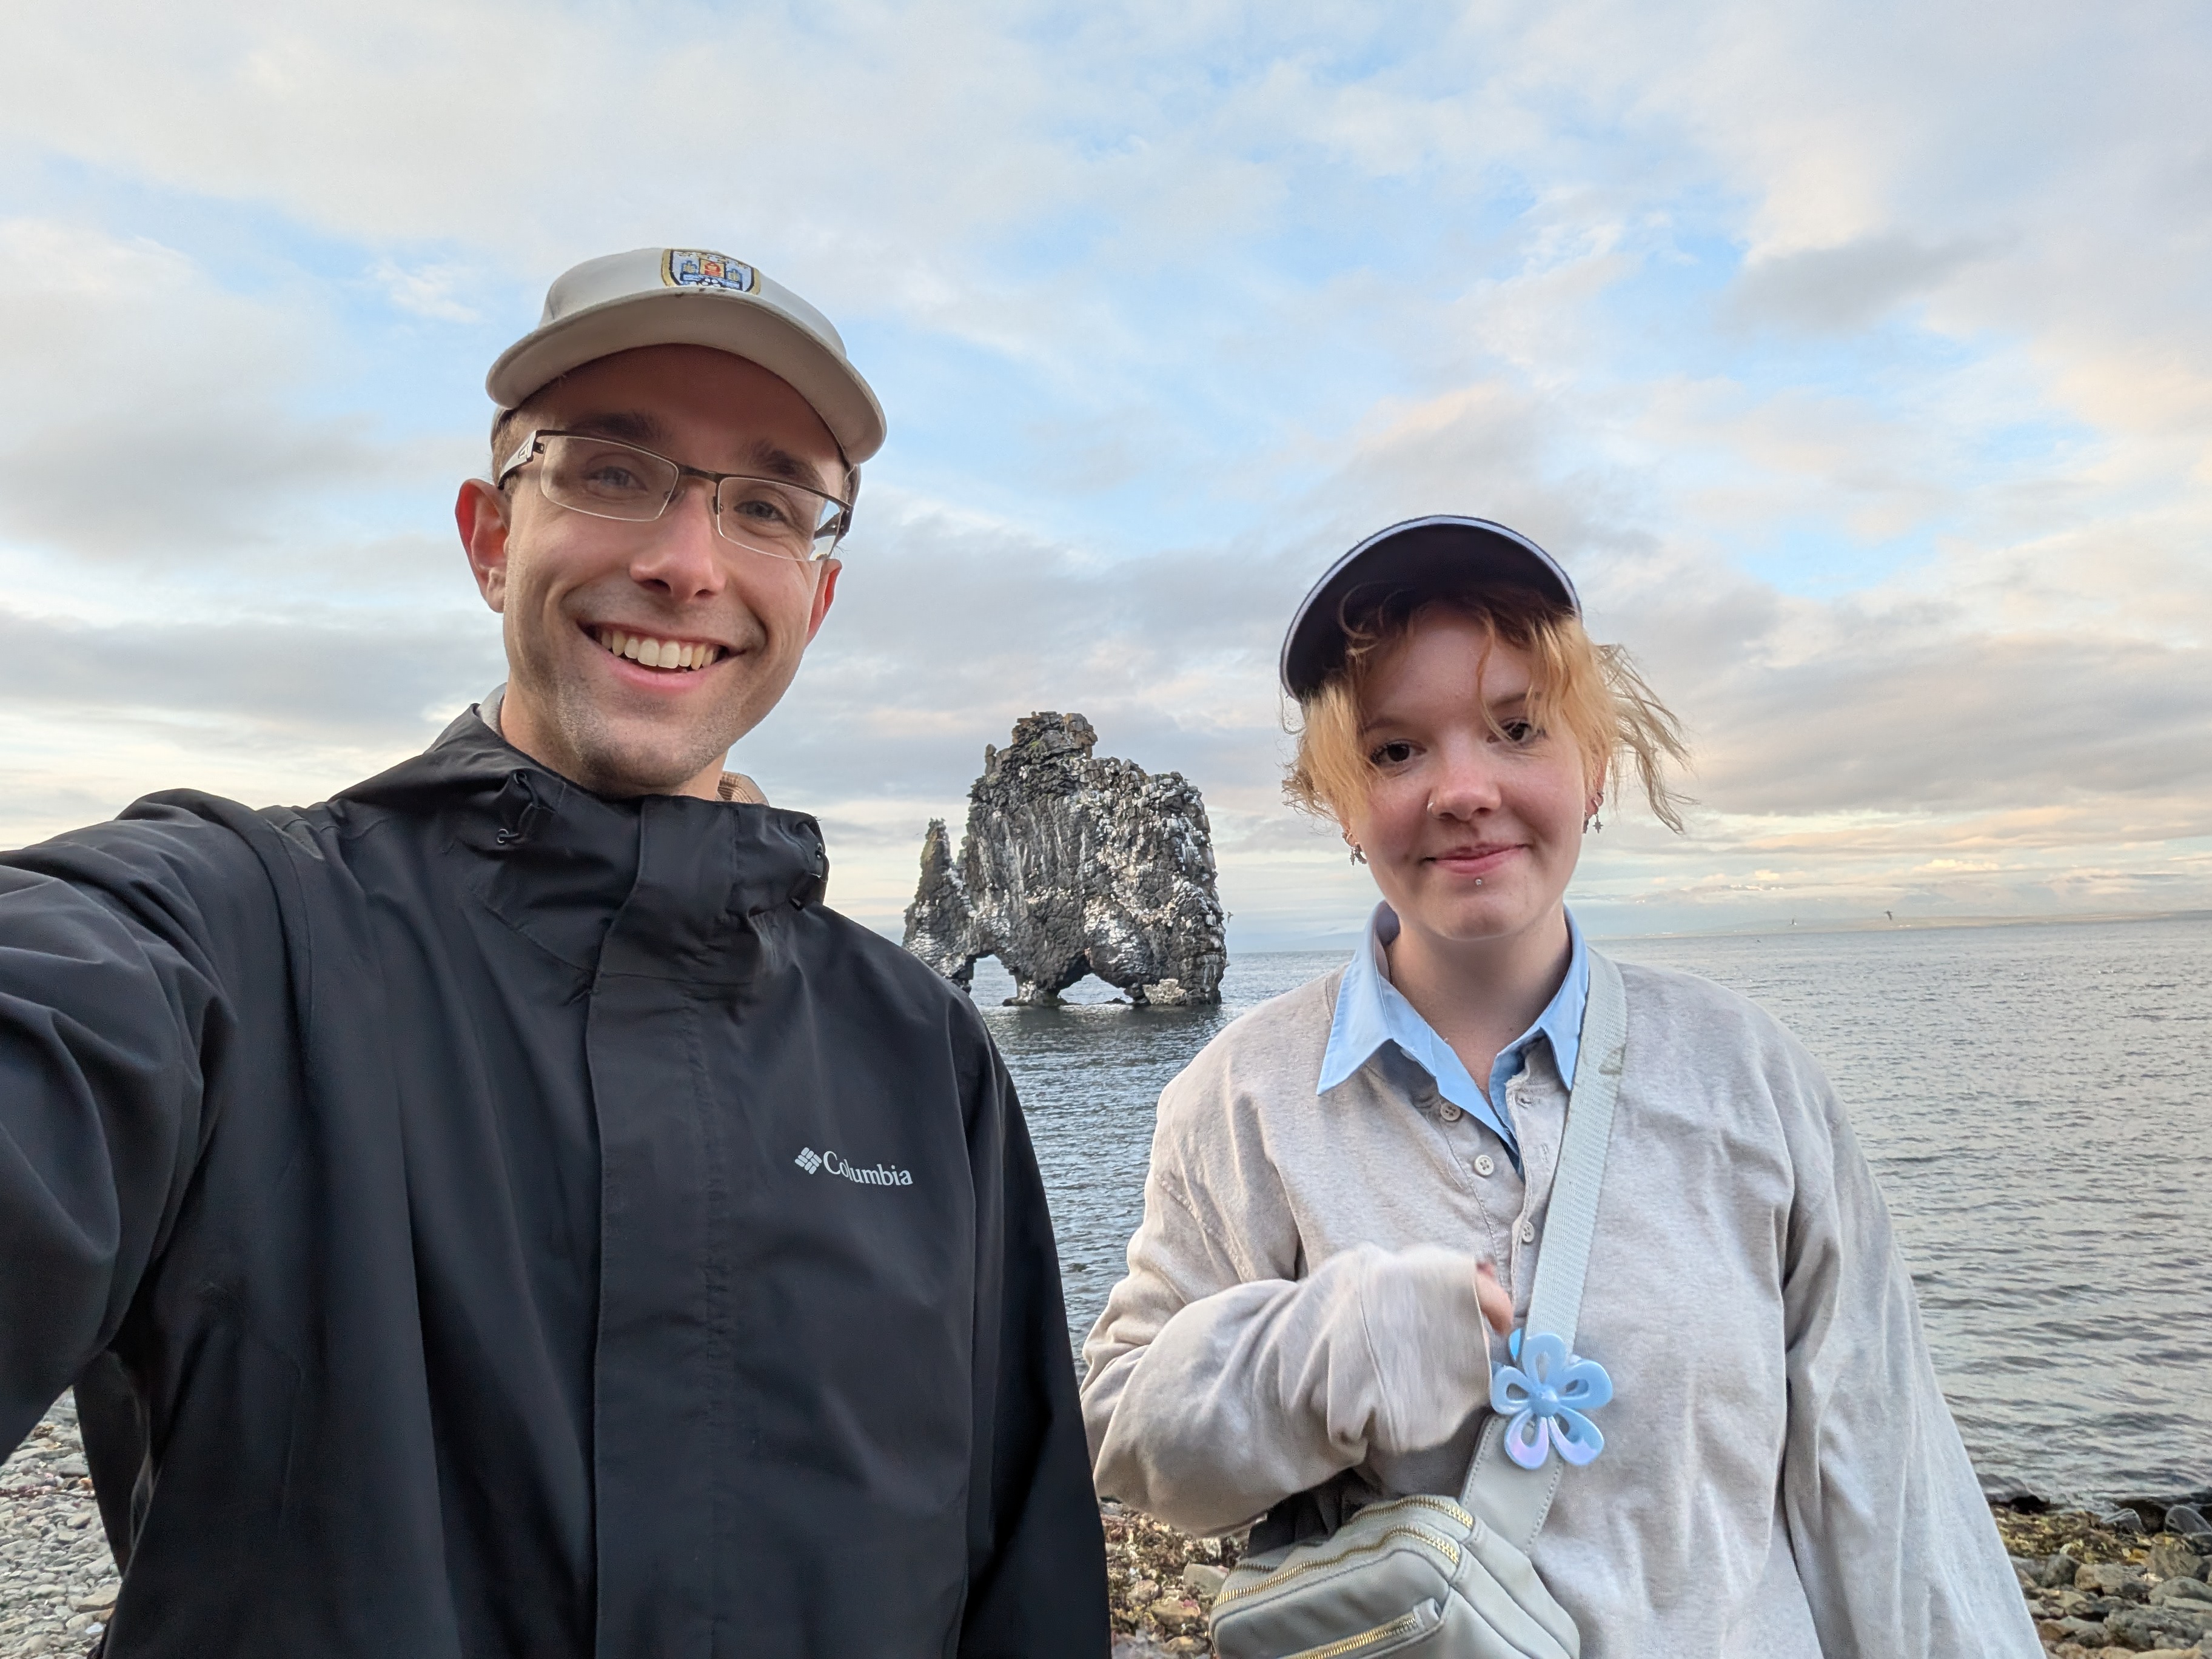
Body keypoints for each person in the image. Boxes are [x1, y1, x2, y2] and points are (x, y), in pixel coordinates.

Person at [0, 246, 1109, 1658]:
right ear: (488, 538)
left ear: (817, 599)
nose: (686, 562)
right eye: (612, 472)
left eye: (767, 505)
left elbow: (1026, 1581)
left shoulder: (924, 1054)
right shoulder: (236, 935)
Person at [1080, 517, 2040, 1656]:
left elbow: (1888, 1480)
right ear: (1342, 803)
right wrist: (1340, 1349)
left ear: (1594, 767)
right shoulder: (1240, 1098)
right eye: (1395, 750)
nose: (1463, 788)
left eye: (1518, 728)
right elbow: (1131, 1440)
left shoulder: (1751, 1076)